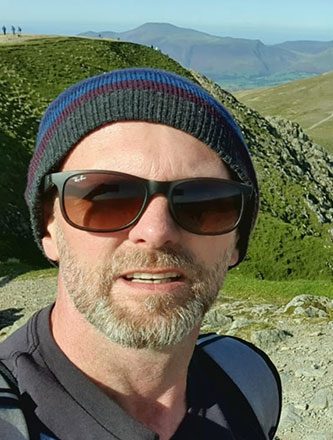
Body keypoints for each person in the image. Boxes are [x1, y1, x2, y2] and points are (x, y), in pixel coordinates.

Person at [0, 68, 281, 440]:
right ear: (49, 229)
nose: (156, 232)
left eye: (203, 202)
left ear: (235, 243)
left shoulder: (248, 381)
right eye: (107, 198)